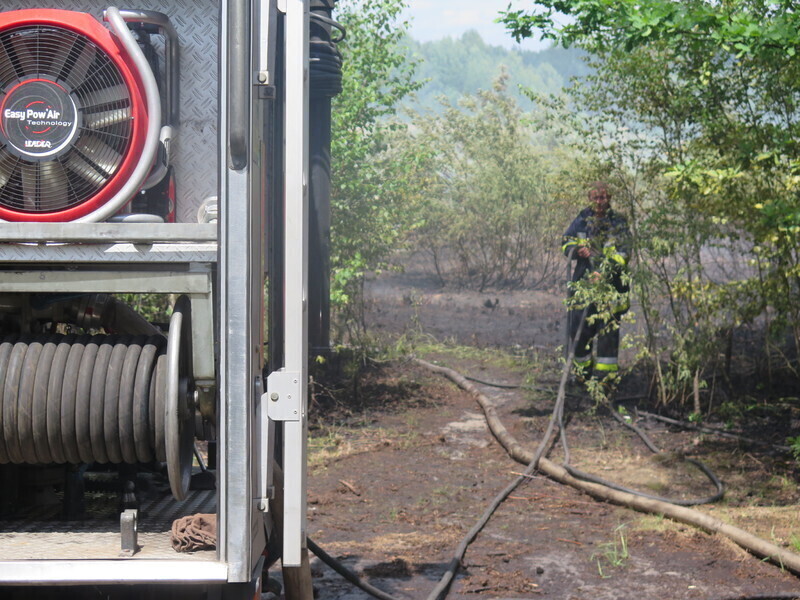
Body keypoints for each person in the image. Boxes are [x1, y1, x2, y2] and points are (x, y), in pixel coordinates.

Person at [561, 182, 631, 382]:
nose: (599, 202)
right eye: (595, 198)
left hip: (610, 287)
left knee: (608, 332)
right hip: (584, 284)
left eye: (603, 198)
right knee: (579, 329)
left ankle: (605, 380)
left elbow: (624, 253)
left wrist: (604, 273)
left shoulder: (618, 222)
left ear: (609, 199)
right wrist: (575, 249)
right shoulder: (582, 219)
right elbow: (565, 240)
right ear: (589, 199)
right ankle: (582, 375)